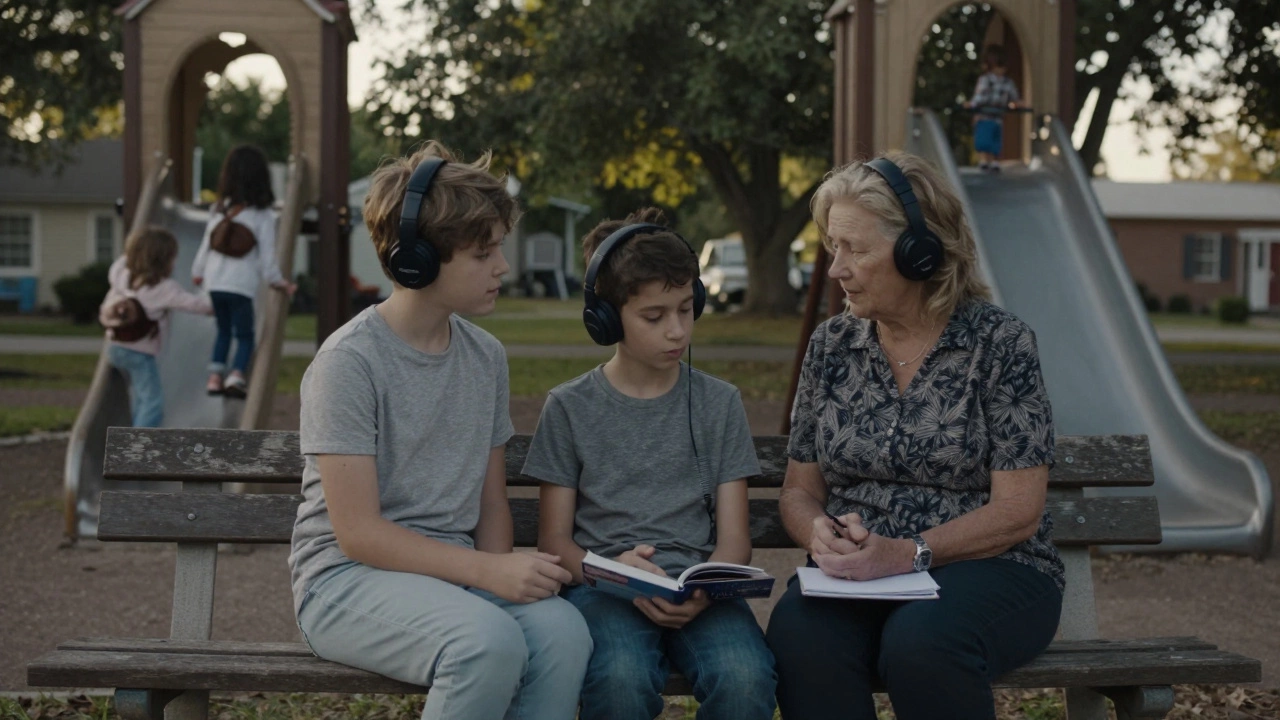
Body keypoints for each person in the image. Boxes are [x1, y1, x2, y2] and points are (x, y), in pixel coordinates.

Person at [289, 142, 591, 720]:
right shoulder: (349, 362)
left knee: (563, 632)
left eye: (500, 247)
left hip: (452, 574)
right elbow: (358, 534)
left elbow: (490, 501)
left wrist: (501, 575)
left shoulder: (485, 356)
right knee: (485, 642)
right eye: (483, 253)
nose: (503, 266)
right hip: (345, 582)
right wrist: (487, 573)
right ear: (417, 262)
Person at [764, 152, 1063, 720]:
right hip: (856, 577)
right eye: (833, 247)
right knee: (800, 636)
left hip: (991, 568)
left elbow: (1019, 512)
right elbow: (799, 490)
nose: (836, 268)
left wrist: (906, 554)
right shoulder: (832, 346)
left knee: (921, 644)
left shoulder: (1000, 345)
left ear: (919, 254)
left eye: (856, 249)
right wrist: (821, 535)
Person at [523, 207, 777, 720]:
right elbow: (554, 541)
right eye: (655, 316)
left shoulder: (718, 402)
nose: (677, 331)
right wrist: (609, 572)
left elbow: (734, 538)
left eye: (686, 309)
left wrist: (704, 590)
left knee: (746, 678)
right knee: (618, 680)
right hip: (604, 588)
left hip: (700, 588)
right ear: (608, 319)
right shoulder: (570, 407)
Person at [192, 144, 295, 399]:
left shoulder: (221, 209)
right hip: (240, 286)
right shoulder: (263, 216)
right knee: (245, 335)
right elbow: (268, 258)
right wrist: (280, 282)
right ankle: (236, 375)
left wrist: (198, 273)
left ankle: (214, 378)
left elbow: (207, 244)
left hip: (215, 284)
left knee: (223, 331)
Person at [100, 226, 213, 427]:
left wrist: (138, 248)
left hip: (115, 348)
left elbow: (124, 259)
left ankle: (133, 432)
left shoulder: (120, 273)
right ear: (164, 261)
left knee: (142, 396)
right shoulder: (163, 289)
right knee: (153, 402)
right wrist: (216, 303)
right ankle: (136, 446)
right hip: (139, 353)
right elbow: (195, 304)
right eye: (172, 258)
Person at [964, 44, 1025, 172]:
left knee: (995, 140)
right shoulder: (985, 80)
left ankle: (995, 161)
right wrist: (972, 104)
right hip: (984, 115)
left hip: (997, 117)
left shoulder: (1008, 83)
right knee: (984, 140)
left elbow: (1013, 97)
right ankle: (984, 160)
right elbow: (980, 97)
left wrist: (1018, 103)